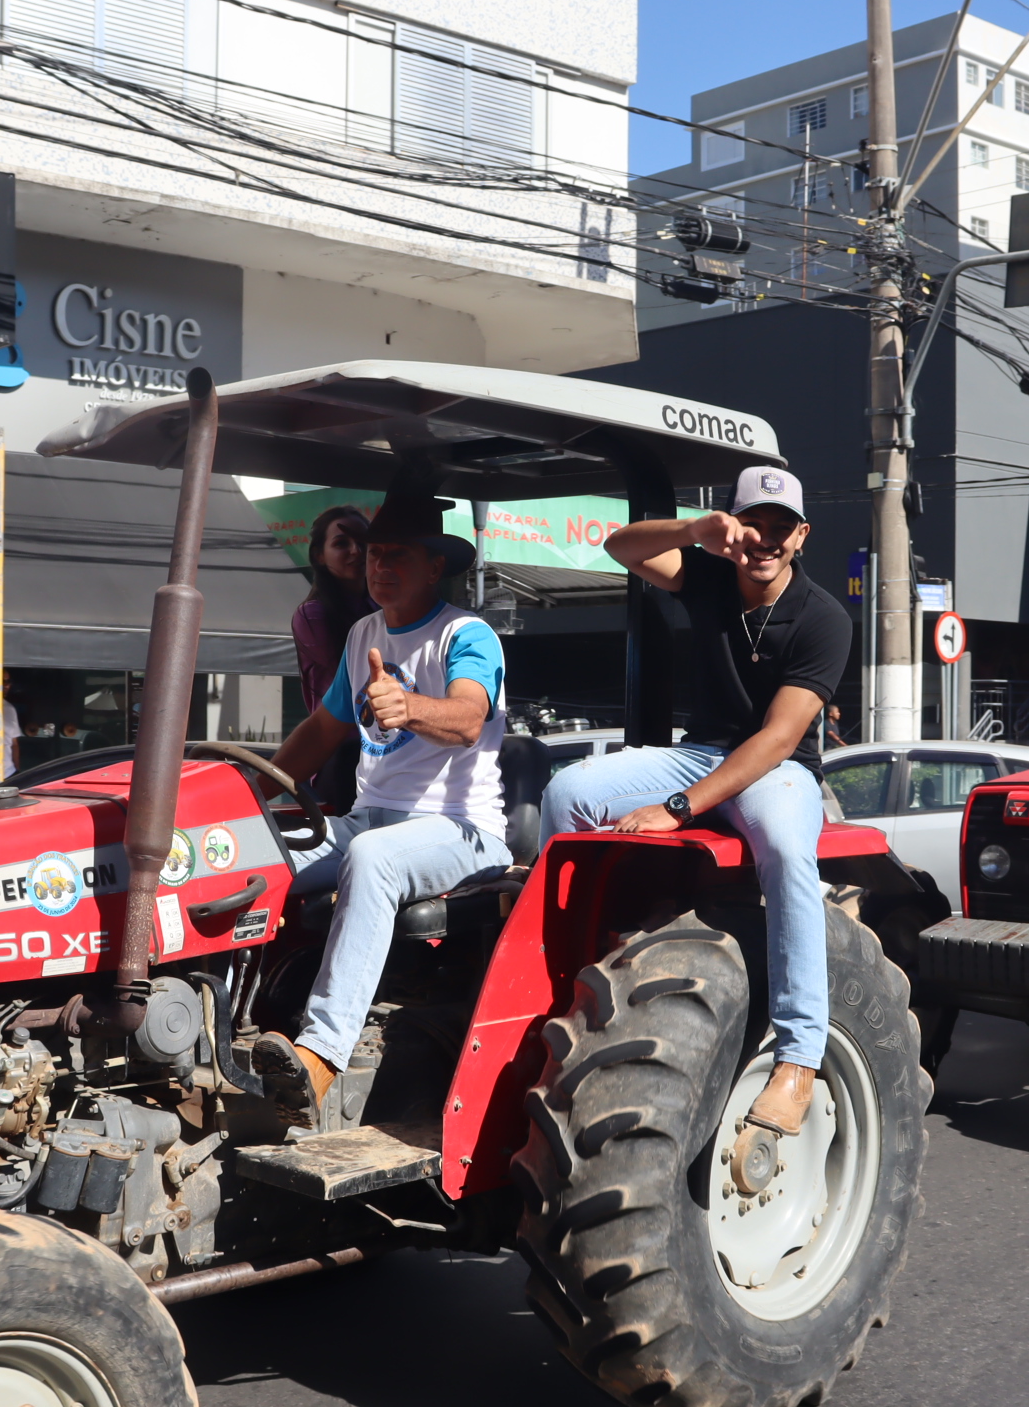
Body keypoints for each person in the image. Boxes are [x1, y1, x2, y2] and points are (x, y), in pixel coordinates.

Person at [539, 465, 850, 1143]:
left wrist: (677, 809)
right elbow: (619, 547)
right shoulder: (707, 575)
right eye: (750, 524)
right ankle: (568, 975)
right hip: (702, 752)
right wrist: (693, 530)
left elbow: (776, 738)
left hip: (778, 768)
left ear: (801, 535)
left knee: (788, 849)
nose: (763, 541)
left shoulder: (824, 617)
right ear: (732, 526)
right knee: (568, 793)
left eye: (778, 528)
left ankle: (800, 1056)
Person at [262, 486, 509, 1125]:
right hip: (371, 817)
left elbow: (466, 718)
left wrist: (410, 706)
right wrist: (247, 794)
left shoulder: (468, 634)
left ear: (435, 566)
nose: (378, 567)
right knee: (247, 848)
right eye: (373, 555)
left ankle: (320, 1052)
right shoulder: (363, 634)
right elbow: (322, 730)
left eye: (397, 555)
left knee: (373, 856)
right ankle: (220, 1022)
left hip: (460, 830)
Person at [291, 503, 373, 812]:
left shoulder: (383, 606)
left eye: (364, 542)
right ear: (318, 556)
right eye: (341, 543)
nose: (356, 551)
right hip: (343, 755)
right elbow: (359, 681)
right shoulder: (312, 614)